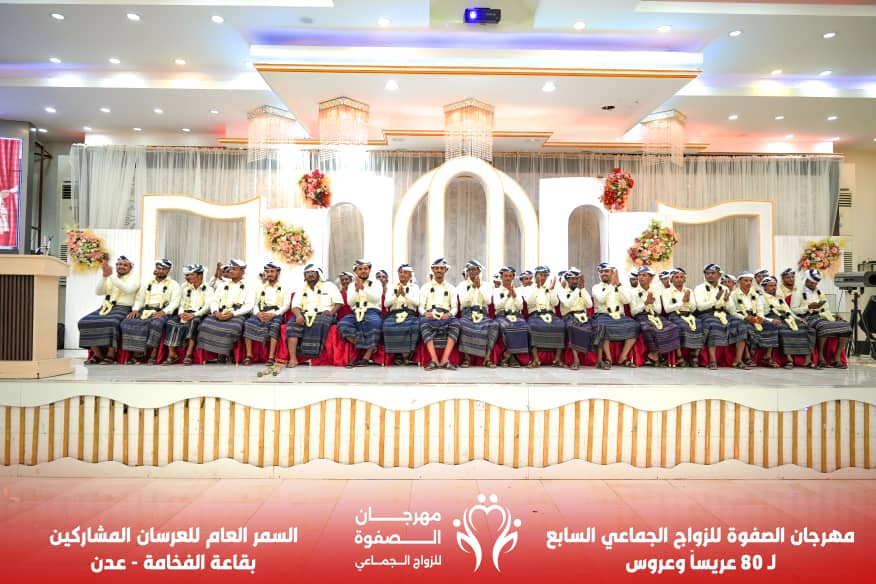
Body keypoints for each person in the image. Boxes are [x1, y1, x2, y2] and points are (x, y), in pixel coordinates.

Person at [79, 255, 141, 365]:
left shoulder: (134, 278)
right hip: (106, 307)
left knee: (112, 323)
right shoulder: (112, 277)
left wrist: (110, 275)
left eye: (125, 265)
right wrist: (104, 277)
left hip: (123, 308)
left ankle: (110, 355)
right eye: (119, 264)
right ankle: (97, 355)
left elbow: (127, 289)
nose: (121, 267)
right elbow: (98, 292)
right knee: (84, 322)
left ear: (130, 267)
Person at [119, 258, 181, 364]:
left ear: (168, 270)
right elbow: (139, 299)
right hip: (145, 310)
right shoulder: (147, 282)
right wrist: (135, 309)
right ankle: (138, 353)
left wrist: (164, 312)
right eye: (159, 268)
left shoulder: (174, 284)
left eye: (164, 269)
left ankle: (153, 353)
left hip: (162, 311)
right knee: (127, 322)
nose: (161, 271)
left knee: (156, 324)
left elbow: (175, 302)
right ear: (156, 269)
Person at [790, 269, 851, 368]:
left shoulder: (819, 292)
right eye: (811, 282)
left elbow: (826, 308)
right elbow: (793, 310)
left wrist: (833, 315)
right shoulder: (797, 292)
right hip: (806, 317)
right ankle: (821, 358)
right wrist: (808, 307)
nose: (813, 285)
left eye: (815, 283)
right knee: (823, 325)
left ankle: (836, 357)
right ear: (806, 280)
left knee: (846, 325)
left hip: (822, 316)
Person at [196, 259, 254, 363]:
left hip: (238, 314)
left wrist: (233, 314)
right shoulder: (222, 284)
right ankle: (218, 354)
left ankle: (227, 353)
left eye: (234, 269)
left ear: (242, 271)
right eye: (230, 269)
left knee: (234, 327)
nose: (231, 271)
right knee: (204, 325)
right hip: (220, 313)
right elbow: (214, 300)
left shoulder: (249, 286)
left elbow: (249, 305)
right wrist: (215, 312)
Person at [285, 263, 342, 367]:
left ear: (318, 274)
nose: (310, 274)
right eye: (307, 273)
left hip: (325, 314)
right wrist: (298, 316)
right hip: (305, 313)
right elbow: (295, 306)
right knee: (292, 325)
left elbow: (339, 303)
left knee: (318, 322)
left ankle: (312, 357)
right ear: (304, 275)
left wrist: (331, 312)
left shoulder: (329, 285)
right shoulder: (301, 287)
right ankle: (293, 358)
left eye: (313, 272)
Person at [695, 263, 747, 370]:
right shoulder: (699, 288)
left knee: (741, 324)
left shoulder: (724, 288)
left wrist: (727, 301)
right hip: (706, 314)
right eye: (707, 273)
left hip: (723, 314)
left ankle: (738, 360)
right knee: (713, 325)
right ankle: (712, 361)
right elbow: (700, 307)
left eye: (713, 273)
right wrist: (716, 299)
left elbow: (732, 311)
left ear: (719, 275)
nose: (710, 275)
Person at [591, 262, 640, 369]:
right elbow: (601, 299)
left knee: (634, 325)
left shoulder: (620, 287)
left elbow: (627, 300)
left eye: (606, 271)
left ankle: (623, 357)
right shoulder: (596, 287)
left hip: (619, 316)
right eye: (601, 272)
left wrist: (618, 285)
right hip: (602, 316)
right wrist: (611, 285)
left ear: (612, 273)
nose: (604, 273)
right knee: (603, 326)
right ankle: (609, 359)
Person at [629, 266, 680, 367]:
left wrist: (651, 304)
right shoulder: (633, 291)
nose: (641, 277)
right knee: (647, 328)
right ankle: (654, 353)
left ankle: (661, 355)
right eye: (639, 275)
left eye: (644, 275)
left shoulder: (655, 291)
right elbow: (633, 312)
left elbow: (659, 310)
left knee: (673, 327)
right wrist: (645, 303)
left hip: (655, 315)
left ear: (651, 278)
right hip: (641, 316)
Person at [760, 276, 815, 369]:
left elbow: (788, 311)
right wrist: (771, 320)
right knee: (784, 329)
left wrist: (798, 318)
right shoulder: (761, 298)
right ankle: (789, 360)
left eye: (774, 285)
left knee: (805, 327)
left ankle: (807, 360)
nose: (773, 288)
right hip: (772, 316)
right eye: (770, 286)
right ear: (764, 287)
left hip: (786, 317)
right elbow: (760, 314)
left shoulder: (779, 297)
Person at [727, 272, 778, 369]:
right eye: (746, 280)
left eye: (750, 281)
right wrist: (745, 318)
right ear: (739, 282)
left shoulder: (755, 295)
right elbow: (732, 312)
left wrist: (764, 319)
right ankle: (739, 359)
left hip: (754, 317)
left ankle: (767, 356)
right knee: (744, 326)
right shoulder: (733, 294)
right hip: (738, 317)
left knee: (771, 326)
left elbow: (760, 311)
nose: (748, 283)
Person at [242, 261, 290, 366]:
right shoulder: (260, 287)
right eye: (267, 272)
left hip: (276, 314)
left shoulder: (284, 287)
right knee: (248, 323)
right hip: (261, 313)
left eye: (272, 271)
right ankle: (249, 355)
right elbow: (254, 303)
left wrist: (273, 314)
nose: (269, 274)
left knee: (275, 326)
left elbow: (286, 305)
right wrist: (258, 313)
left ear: (278, 273)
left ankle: (271, 357)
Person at [338, 259, 384, 367]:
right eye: (360, 269)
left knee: (374, 323)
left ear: (369, 270)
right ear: (355, 271)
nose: (363, 271)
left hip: (372, 311)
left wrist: (363, 288)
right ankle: (368, 346)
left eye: (365, 269)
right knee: (343, 324)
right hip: (356, 312)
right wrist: (356, 290)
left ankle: (366, 357)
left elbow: (375, 298)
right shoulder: (351, 285)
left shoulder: (376, 283)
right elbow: (350, 302)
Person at [164, 264, 212, 365]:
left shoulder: (208, 288)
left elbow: (207, 306)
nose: (188, 277)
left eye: (191, 275)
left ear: (200, 276)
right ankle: (172, 354)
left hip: (199, 314)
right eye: (187, 275)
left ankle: (188, 354)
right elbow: (181, 303)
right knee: (170, 322)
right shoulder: (184, 287)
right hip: (185, 312)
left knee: (193, 323)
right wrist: (181, 313)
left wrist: (194, 315)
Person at [419, 258, 460, 370]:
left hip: (445, 315)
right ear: (432, 270)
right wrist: (425, 313)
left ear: (446, 270)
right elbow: (421, 307)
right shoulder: (425, 287)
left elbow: (455, 307)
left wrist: (449, 315)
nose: (439, 270)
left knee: (456, 324)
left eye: (442, 268)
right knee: (423, 323)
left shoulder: (451, 288)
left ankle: (445, 360)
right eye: (436, 268)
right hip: (430, 315)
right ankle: (434, 360)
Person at [457, 260, 499, 368]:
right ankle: (467, 358)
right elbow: (463, 302)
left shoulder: (487, 285)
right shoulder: (462, 285)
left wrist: (479, 287)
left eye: (474, 269)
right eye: (469, 270)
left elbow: (488, 301)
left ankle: (487, 358)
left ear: (479, 271)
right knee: (462, 324)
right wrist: (472, 287)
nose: (472, 272)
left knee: (494, 325)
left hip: (482, 313)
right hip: (467, 312)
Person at [662, 268, 706, 367]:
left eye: (681, 277)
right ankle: (679, 356)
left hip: (689, 315)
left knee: (701, 324)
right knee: (680, 326)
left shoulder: (689, 290)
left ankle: (695, 354)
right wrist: (682, 302)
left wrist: (688, 301)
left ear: (685, 279)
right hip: (674, 315)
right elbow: (667, 309)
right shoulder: (666, 291)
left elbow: (693, 308)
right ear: (671, 279)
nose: (679, 279)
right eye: (676, 277)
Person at [525, 265, 565, 367]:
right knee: (533, 326)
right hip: (535, 315)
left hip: (550, 314)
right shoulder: (529, 288)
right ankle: (536, 359)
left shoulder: (549, 288)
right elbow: (529, 302)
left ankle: (557, 358)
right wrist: (537, 288)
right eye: (540, 275)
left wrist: (551, 291)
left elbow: (555, 303)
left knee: (561, 325)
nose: (542, 278)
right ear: (535, 276)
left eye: (545, 275)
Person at [558, 267, 596, 370]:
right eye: (572, 279)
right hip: (569, 316)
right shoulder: (562, 291)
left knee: (599, 326)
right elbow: (567, 303)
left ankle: (599, 360)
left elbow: (589, 305)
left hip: (583, 316)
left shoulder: (581, 290)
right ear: (567, 279)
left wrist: (582, 289)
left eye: (576, 279)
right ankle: (576, 359)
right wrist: (578, 290)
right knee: (572, 326)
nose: (575, 281)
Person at [382, 263, 420, 366]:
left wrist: (405, 295)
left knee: (414, 326)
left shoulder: (415, 287)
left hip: (409, 314)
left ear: (410, 275)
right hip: (394, 313)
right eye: (401, 272)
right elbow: (386, 304)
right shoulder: (392, 287)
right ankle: (399, 355)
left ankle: (406, 355)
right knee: (387, 326)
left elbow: (417, 303)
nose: (402, 274)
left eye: (405, 273)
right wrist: (396, 295)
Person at [493, 266, 529, 368]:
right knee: (506, 326)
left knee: (523, 325)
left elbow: (520, 307)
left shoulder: (518, 290)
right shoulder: (496, 290)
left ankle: (508, 355)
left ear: (513, 278)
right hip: (502, 315)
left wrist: (515, 296)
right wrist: (507, 296)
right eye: (505, 276)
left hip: (516, 315)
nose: (508, 278)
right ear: (501, 277)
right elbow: (497, 306)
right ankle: (512, 357)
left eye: (510, 276)